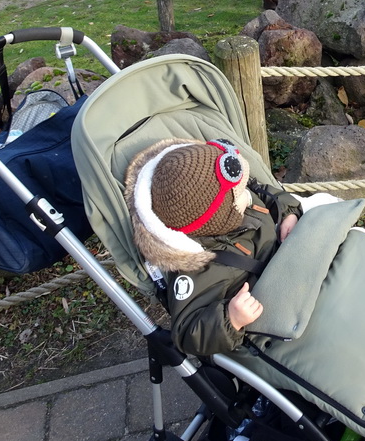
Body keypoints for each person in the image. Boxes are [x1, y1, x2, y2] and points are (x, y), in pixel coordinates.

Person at [124, 137, 302, 356]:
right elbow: (186, 331)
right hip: (276, 320)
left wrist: (288, 214)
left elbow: (269, 194)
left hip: (299, 273)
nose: (245, 193)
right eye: (238, 194)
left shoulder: (240, 197)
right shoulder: (199, 270)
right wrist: (230, 318)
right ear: (216, 216)